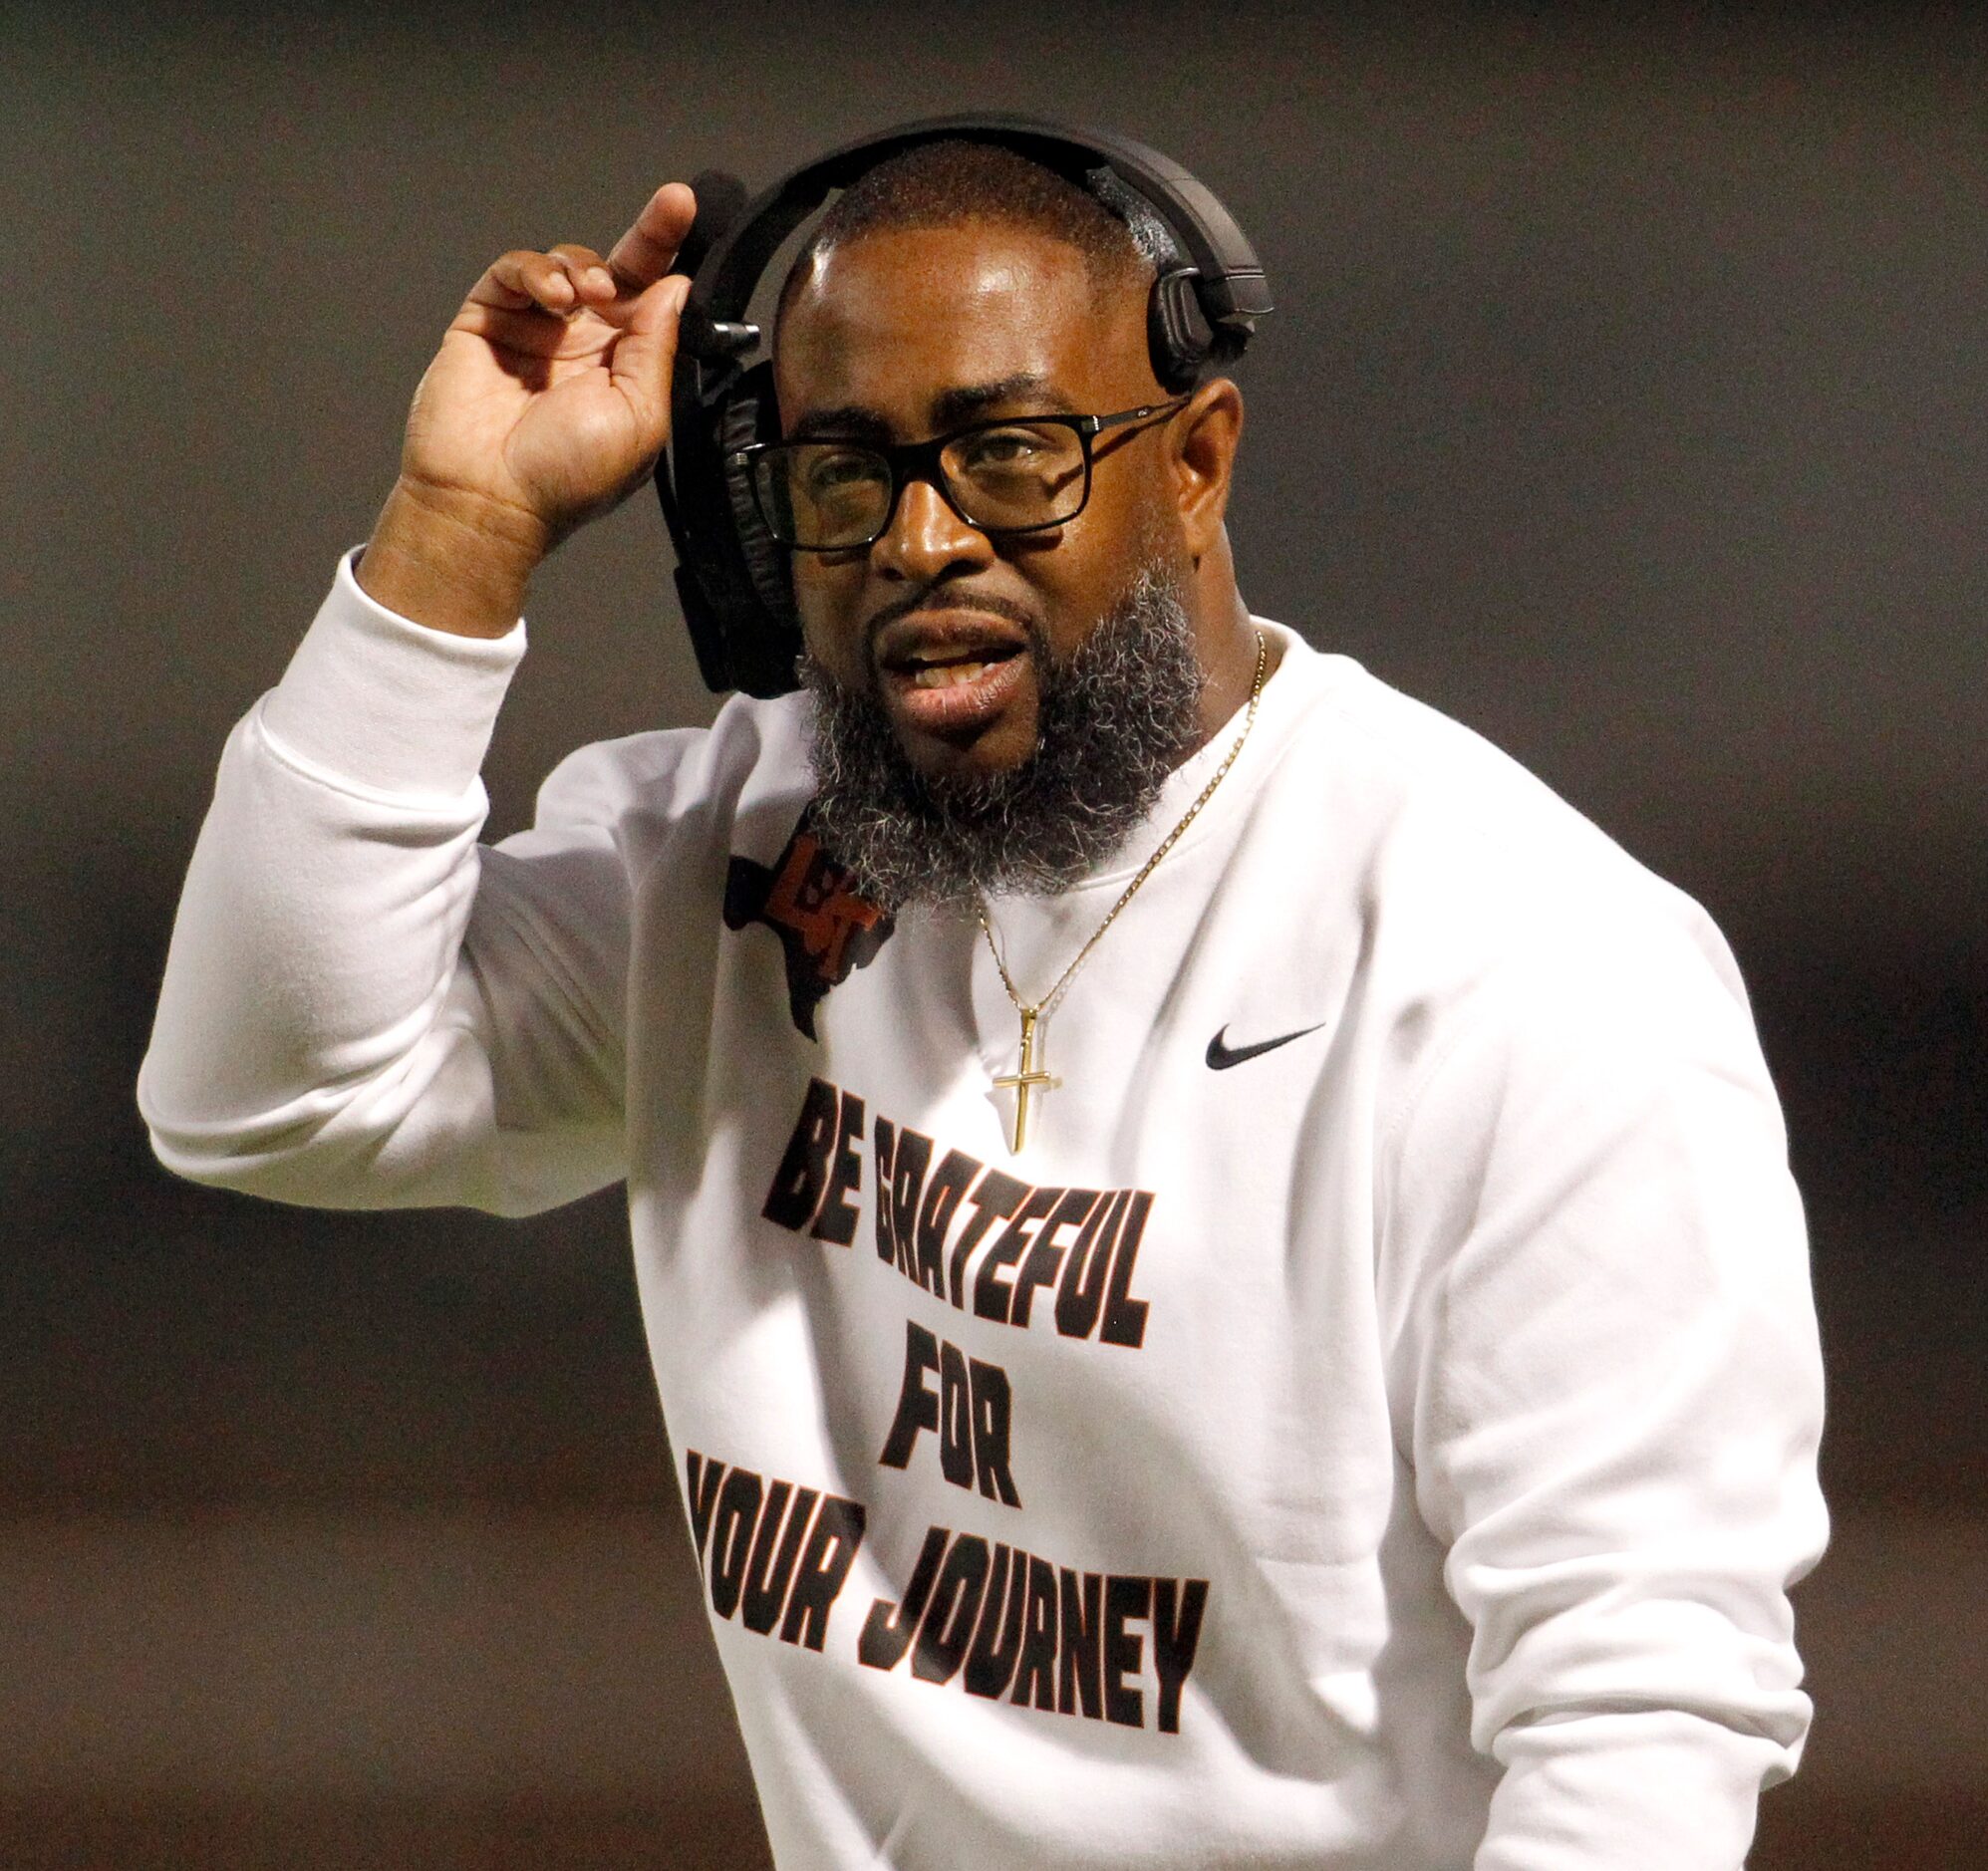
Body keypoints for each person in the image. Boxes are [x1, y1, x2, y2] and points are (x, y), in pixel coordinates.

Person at [140, 133, 1827, 1868]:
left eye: (1012, 452)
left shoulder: (1528, 964)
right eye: (847, 475)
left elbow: (1639, 1714)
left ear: (1195, 463)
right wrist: (459, 530)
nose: (926, 539)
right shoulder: (721, 851)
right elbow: (262, 1090)